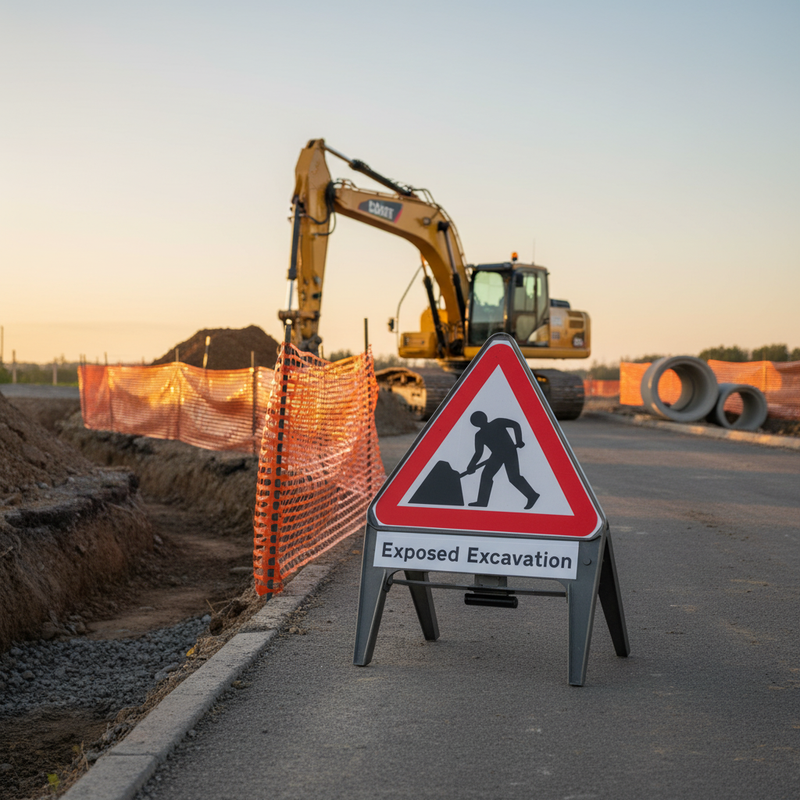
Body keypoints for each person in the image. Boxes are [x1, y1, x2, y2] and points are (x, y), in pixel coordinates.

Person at [463, 411, 539, 509]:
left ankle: (532, 495)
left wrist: (519, 440)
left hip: (509, 452)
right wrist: (471, 465)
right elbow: (478, 453)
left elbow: (515, 425)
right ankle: (482, 501)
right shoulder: (480, 435)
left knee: (514, 477)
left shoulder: (497, 423)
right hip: (497, 456)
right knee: (486, 476)